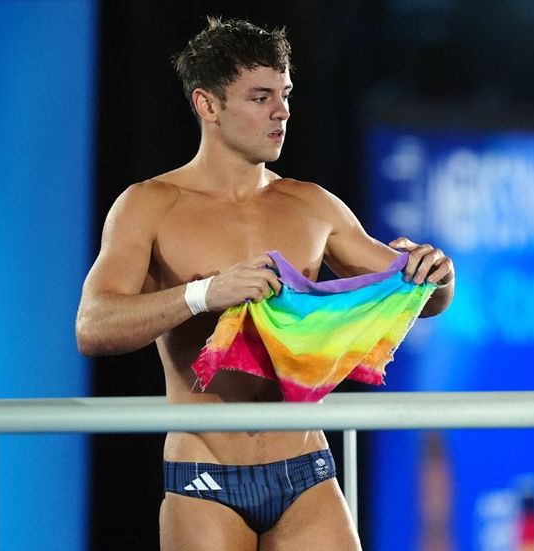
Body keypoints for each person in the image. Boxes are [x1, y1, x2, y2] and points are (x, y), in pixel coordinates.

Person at [75, 16, 455, 551]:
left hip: (305, 472)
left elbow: (423, 298)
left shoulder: (312, 205)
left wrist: (438, 274)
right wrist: (203, 294)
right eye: (260, 97)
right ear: (207, 105)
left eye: (285, 94)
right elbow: (93, 327)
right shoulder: (149, 205)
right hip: (205, 477)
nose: (282, 112)